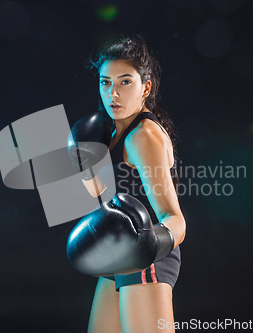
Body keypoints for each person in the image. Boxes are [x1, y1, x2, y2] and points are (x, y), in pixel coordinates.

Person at [85, 35, 186, 333]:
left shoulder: (143, 136)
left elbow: (175, 219)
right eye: (105, 82)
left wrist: (148, 247)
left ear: (146, 87)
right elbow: (105, 202)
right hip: (120, 255)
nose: (112, 93)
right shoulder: (112, 131)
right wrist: (84, 166)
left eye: (125, 82)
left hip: (145, 259)